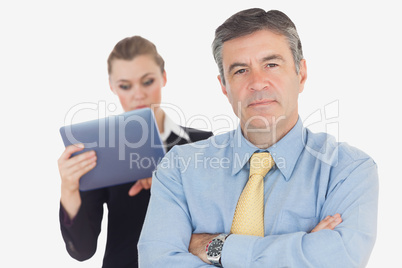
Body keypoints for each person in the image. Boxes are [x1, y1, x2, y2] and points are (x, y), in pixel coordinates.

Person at [138, 9, 378, 267]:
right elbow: (157, 261)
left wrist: (217, 247)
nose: (258, 82)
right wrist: (303, 251)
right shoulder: (179, 168)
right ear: (224, 86)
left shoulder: (347, 170)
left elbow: (339, 260)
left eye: (271, 65)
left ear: (301, 74)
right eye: (241, 70)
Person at [58, 36, 213, 268]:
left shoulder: (201, 143)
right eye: (125, 86)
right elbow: (82, 250)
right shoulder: (103, 149)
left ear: (164, 77)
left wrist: (167, 182)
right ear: (112, 86)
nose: (138, 94)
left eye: (147, 81)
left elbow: (218, 227)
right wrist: (69, 188)